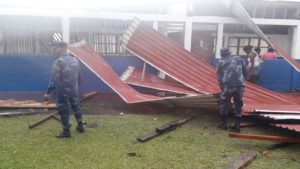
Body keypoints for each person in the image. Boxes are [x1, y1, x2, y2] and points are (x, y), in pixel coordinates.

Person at [44, 41, 84, 138]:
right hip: (73, 90)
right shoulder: (75, 60)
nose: (54, 50)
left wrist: (48, 92)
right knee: (76, 106)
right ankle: (80, 126)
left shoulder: (58, 62)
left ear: (62, 48)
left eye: (55, 48)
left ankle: (66, 131)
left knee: (63, 109)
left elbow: (54, 79)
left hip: (62, 90)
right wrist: (75, 87)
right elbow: (79, 77)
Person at [216, 47, 248, 132]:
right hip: (239, 85)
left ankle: (223, 124)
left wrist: (222, 87)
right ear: (230, 53)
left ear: (222, 54)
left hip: (227, 86)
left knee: (224, 104)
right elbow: (245, 71)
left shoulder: (220, 62)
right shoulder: (239, 58)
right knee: (238, 104)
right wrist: (243, 80)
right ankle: (237, 126)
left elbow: (219, 77)